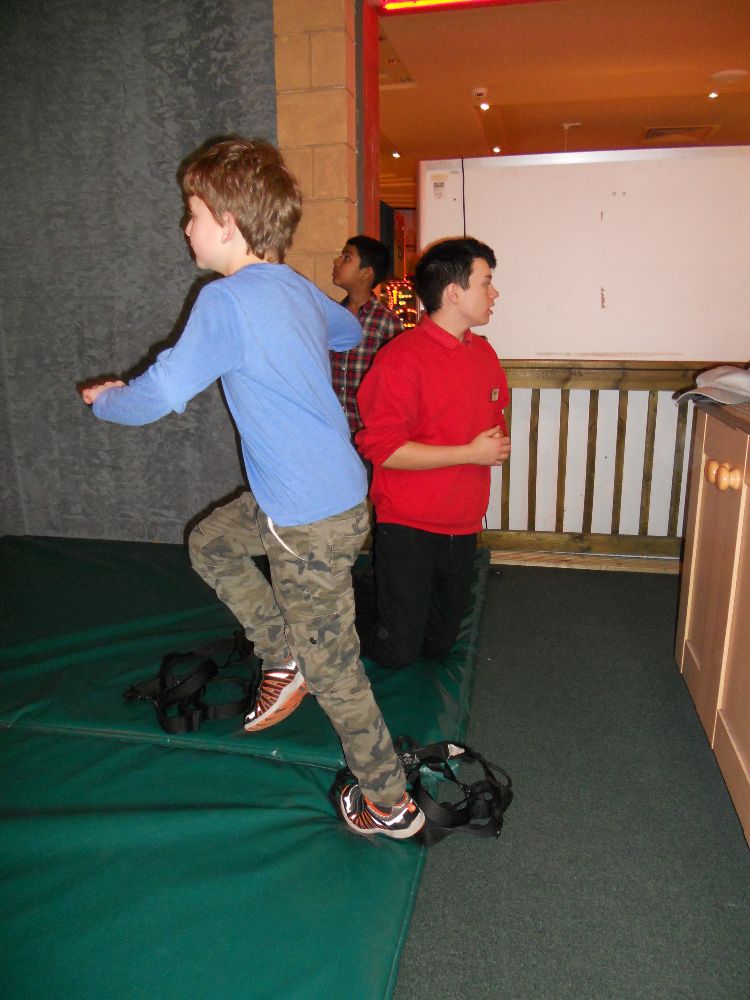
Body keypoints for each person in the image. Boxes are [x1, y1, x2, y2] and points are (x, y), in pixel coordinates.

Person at [80, 137, 423, 840]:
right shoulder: (292, 287)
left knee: (337, 672)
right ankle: (281, 652)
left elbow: (159, 395)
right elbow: (343, 329)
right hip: (318, 496)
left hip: (307, 520)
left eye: (194, 213)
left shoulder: (227, 300)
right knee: (211, 542)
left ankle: (390, 803)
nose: (186, 227)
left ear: (229, 222)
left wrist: (106, 399)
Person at [355, 237, 511, 670]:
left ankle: (380, 596)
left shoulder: (483, 353)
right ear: (454, 293)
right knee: (397, 652)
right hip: (408, 526)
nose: (495, 293)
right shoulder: (401, 359)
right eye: (486, 282)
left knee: (438, 646)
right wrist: (470, 453)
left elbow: (494, 415)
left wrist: (493, 443)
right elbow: (384, 451)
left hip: (462, 524)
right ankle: (332, 605)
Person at [330, 236, 403, 436]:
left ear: (366, 273)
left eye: (347, 258)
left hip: (367, 433)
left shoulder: (387, 323)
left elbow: (397, 384)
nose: (336, 261)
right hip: (332, 432)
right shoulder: (331, 315)